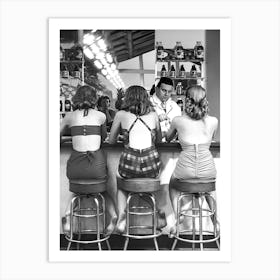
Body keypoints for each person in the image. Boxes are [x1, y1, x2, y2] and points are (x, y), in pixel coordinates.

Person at [60, 85, 117, 236]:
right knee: (104, 190)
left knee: (78, 191)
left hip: (75, 167)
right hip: (95, 167)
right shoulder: (101, 116)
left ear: (76, 98)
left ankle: (67, 215)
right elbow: (104, 137)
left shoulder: (69, 116)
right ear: (94, 99)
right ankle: (114, 216)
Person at [109, 85, 165, 233]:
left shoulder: (120, 114)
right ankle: (158, 213)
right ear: (146, 98)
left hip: (129, 163)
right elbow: (159, 141)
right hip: (150, 164)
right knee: (151, 180)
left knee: (120, 182)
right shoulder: (153, 114)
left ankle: (122, 217)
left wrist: (124, 136)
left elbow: (111, 141)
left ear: (127, 98)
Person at [165, 85, 218, 235]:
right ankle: (216, 221)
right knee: (210, 188)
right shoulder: (213, 121)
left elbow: (168, 139)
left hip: (185, 170)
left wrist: (180, 134)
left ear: (186, 100)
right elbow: (212, 139)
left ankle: (178, 217)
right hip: (207, 168)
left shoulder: (177, 120)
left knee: (172, 184)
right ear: (205, 101)